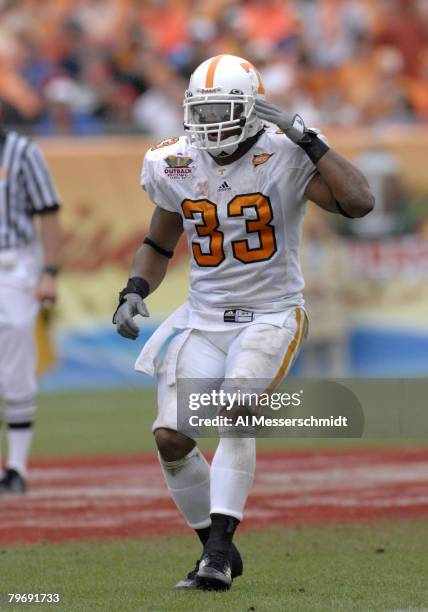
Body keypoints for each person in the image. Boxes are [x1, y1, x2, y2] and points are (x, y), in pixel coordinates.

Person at [113, 54, 374, 591]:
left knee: (235, 408)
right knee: (170, 439)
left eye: (223, 111)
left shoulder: (285, 153)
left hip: (272, 314)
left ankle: (213, 557)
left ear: (253, 110)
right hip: (204, 318)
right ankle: (219, 546)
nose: (210, 125)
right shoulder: (174, 162)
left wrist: (310, 138)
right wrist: (134, 289)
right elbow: (159, 242)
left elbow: (359, 202)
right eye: (201, 112)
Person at [0, 123, 62, 494]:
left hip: (13, 265)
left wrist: (49, 272)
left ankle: (18, 466)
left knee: (16, 364)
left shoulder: (22, 151)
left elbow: (49, 212)